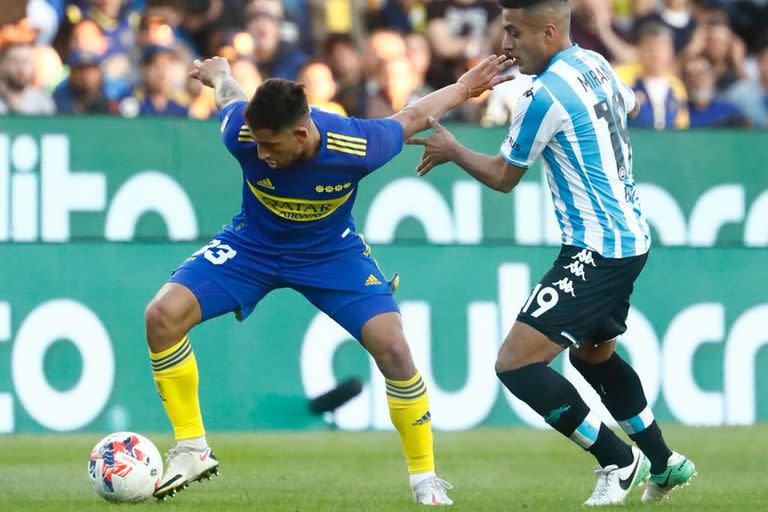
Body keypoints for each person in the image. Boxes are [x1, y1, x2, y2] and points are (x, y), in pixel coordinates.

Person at [144, 53, 515, 503]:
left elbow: (414, 115)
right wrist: (219, 73)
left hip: (330, 253)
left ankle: (425, 481)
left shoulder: (358, 144)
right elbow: (230, 96)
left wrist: (464, 87)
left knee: (394, 348)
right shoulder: (240, 133)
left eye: (271, 146)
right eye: (256, 144)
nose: (260, 154)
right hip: (254, 246)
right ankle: (192, 449)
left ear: (301, 133)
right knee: (162, 316)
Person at [407, 0, 696, 506]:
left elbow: (502, 177)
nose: (506, 46)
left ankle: (617, 458)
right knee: (593, 355)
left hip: (597, 246)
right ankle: (665, 461)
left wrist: (453, 150)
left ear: (548, 31)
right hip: (630, 236)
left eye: (514, 33)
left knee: (515, 365)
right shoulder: (596, 63)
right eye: (504, 32)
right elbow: (627, 106)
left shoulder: (542, 96)